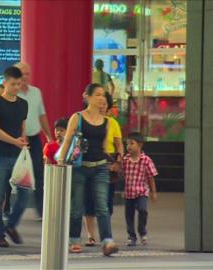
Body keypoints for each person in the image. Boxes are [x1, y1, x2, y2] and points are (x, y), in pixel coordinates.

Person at [57, 83, 118, 256]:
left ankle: (107, 241)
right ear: (87, 97)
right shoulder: (77, 118)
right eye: (98, 94)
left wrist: (114, 162)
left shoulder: (106, 121)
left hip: (100, 167)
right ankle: (74, 239)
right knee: (77, 206)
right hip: (80, 167)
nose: (101, 98)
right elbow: (68, 139)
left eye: (103, 95)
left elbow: (105, 146)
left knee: (102, 206)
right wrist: (62, 159)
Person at [0, 66, 28, 247]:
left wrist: (23, 142)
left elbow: (22, 128)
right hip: (1, 155)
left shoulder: (23, 104)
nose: (16, 87)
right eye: (13, 84)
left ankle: (10, 225)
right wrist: (14, 141)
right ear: (5, 83)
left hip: (19, 155)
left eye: (19, 84)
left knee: (25, 194)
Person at [84, 91, 124, 246]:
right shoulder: (85, 119)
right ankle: (90, 235)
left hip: (109, 164)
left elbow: (119, 144)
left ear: (108, 107)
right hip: (90, 161)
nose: (101, 106)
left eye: (104, 104)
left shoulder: (112, 123)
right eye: (99, 102)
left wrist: (118, 161)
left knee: (106, 201)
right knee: (89, 201)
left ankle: (105, 235)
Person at [15, 62, 53, 220]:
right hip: (16, 140)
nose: (25, 77)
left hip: (34, 138)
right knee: (16, 174)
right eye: (21, 73)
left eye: (27, 74)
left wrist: (49, 136)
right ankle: (10, 209)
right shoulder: (11, 93)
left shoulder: (36, 92)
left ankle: (41, 210)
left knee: (39, 173)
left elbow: (42, 115)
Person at [123, 132, 158, 246]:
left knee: (142, 210)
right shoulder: (125, 160)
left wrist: (153, 192)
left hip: (142, 191)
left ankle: (142, 231)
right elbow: (121, 173)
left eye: (132, 143)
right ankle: (131, 236)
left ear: (140, 145)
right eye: (127, 143)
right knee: (129, 215)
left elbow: (150, 177)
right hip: (129, 193)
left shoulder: (146, 160)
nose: (128, 146)